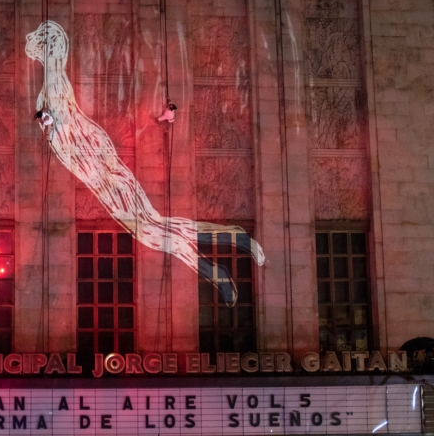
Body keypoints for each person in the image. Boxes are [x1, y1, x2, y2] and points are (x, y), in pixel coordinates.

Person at [25, 20, 264, 306]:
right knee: (156, 229)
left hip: (102, 174)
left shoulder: (53, 91)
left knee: (153, 232)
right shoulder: (51, 95)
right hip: (100, 172)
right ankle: (222, 259)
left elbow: (63, 118)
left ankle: (223, 258)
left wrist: (50, 123)